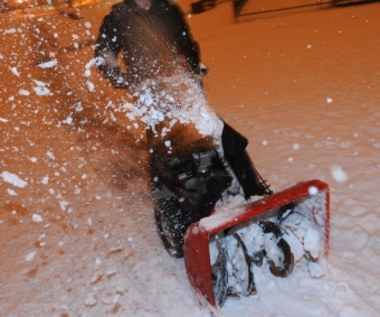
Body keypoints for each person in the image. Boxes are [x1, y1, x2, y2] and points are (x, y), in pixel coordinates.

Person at [95, 0, 272, 258]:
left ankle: (252, 191)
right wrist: (120, 77)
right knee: (167, 147)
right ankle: (171, 199)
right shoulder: (119, 16)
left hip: (183, 85)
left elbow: (186, 43)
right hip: (148, 92)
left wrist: (191, 68)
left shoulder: (169, 9)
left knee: (221, 136)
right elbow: (105, 54)